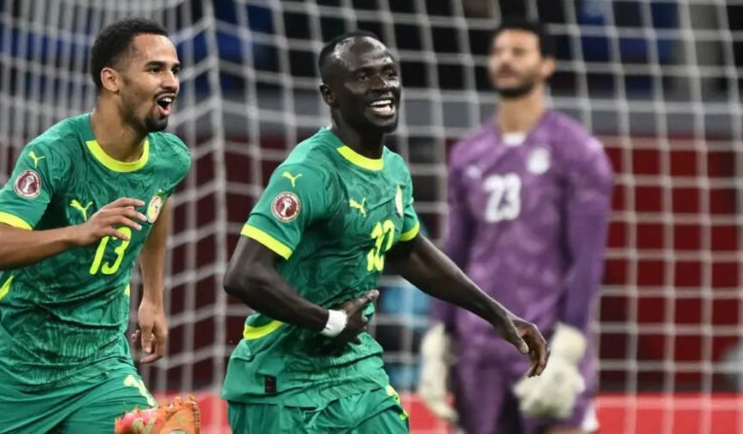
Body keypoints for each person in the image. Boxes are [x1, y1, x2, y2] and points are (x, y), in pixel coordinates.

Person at [221, 30, 549, 433]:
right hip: (281, 382)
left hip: (355, 371)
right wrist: (330, 321)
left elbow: (409, 251)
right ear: (330, 95)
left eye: (389, 73)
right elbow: (243, 274)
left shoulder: (392, 170)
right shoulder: (309, 173)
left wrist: (497, 315)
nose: (382, 86)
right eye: (363, 77)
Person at [0, 18, 198, 433]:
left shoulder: (171, 158)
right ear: (112, 80)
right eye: (155, 69)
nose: (172, 82)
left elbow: (157, 206)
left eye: (175, 70)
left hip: (100, 365)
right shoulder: (54, 154)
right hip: (15, 363)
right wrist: (80, 232)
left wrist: (153, 298)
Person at [419, 18, 613, 434]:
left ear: (546, 65)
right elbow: (454, 252)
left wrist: (571, 346)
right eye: (499, 52)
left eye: (520, 51)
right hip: (478, 348)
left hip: (546, 337)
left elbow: (587, 259)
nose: (506, 60)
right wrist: (437, 338)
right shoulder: (469, 153)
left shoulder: (577, 151)